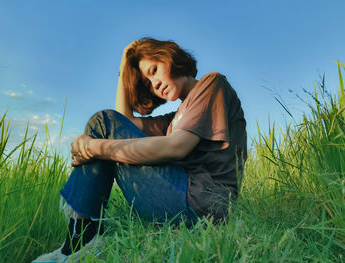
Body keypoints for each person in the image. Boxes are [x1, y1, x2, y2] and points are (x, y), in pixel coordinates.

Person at [32, 38, 247, 262]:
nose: (154, 84)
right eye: (148, 83)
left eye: (154, 70)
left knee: (103, 125)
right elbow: (121, 122)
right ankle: (78, 243)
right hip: (185, 196)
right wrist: (125, 62)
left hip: (206, 203)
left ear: (170, 57)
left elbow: (177, 147)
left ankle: (80, 242)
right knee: (102, 121)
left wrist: (95, 148)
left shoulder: (212, 84)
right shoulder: (175, 119)